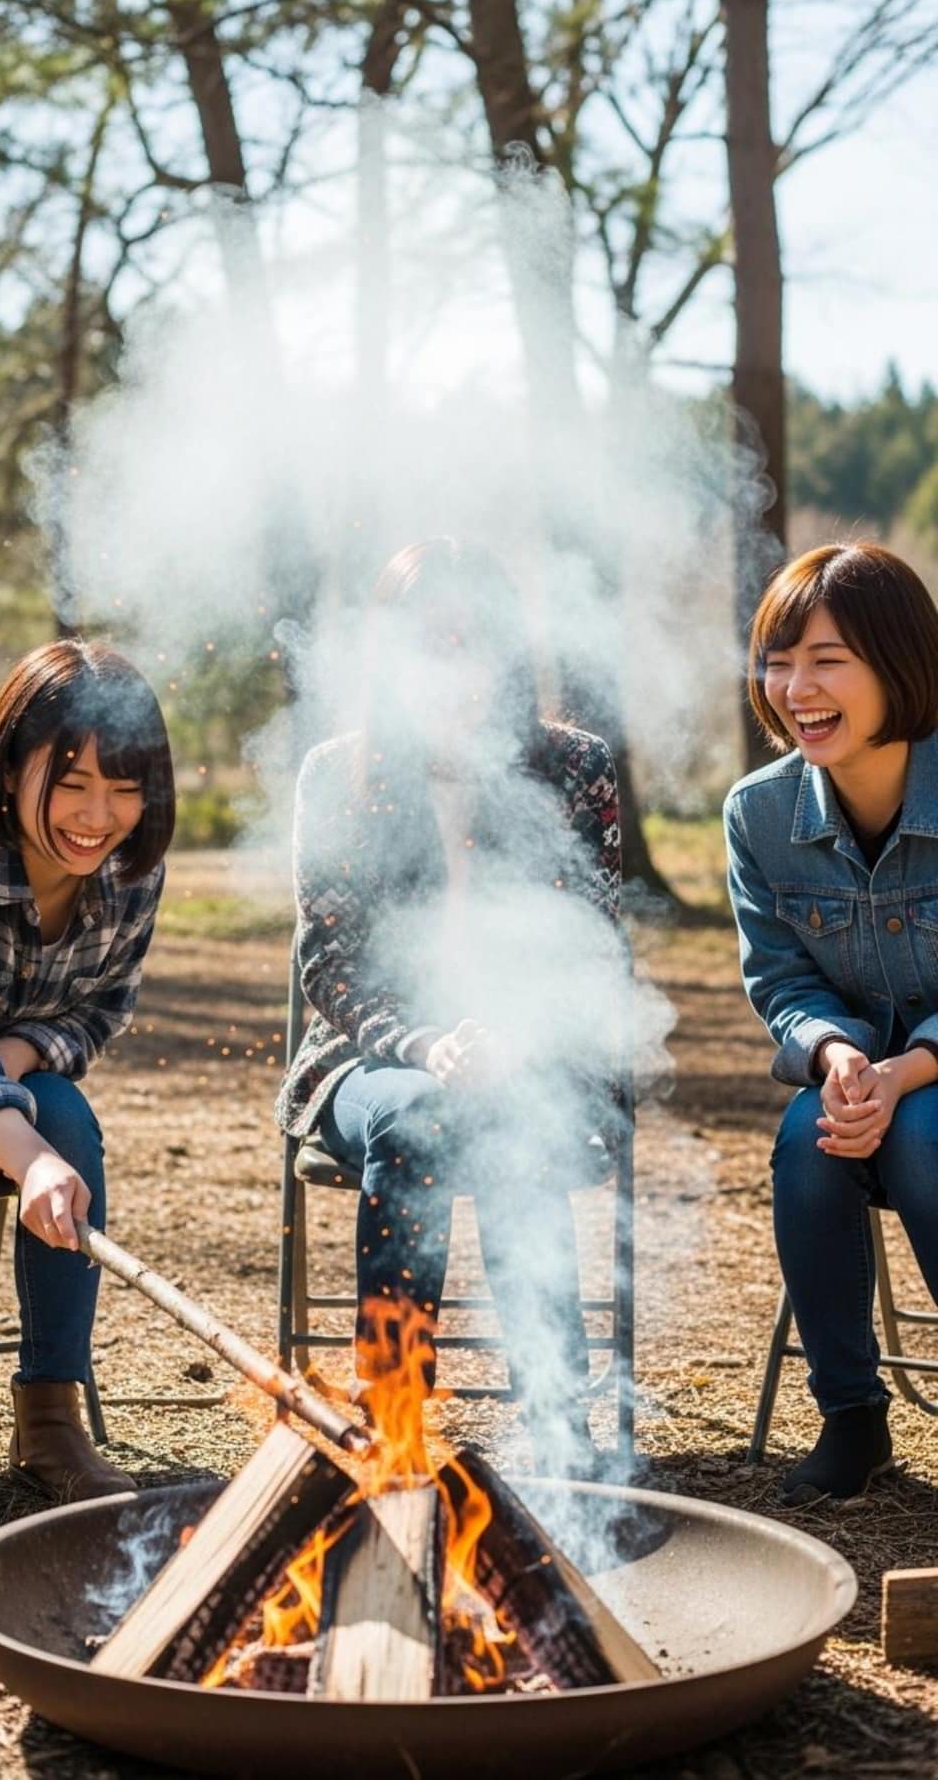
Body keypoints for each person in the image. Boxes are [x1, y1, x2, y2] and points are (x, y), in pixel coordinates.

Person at [275, 538, 625, 1478]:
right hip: (374, 1060)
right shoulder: (338, 774)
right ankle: (392, 1428)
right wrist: (429, 1045)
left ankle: (560, 1435)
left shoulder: (575, 766)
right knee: (426, 1114)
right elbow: (333, 964)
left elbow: (592, 946)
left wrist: (520, 1035)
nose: (454, 661)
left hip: (539, 1058)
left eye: (476, 639)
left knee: (518, 1114)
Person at [0, 640, 175, 1533]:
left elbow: (99, 1012)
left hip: (7, 1084)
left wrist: (21, 1055)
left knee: (65, 1114)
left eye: (124, 786)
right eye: (73, 781)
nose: (98, 815)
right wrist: (27, 1161)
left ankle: (52, 1416)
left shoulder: (130, 874)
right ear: (11, 760)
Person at [725, 540, 938, 1504]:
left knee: (923, 1135)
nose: (793, 686)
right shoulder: (759, 814)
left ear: (899, 662)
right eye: (777, 658)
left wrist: (909, 1071)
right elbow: (778, 976)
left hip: (932, 1088)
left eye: (826, 658)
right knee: (811, 1144)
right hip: (854, 1078)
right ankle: (852, 1417)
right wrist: (841, 1051)